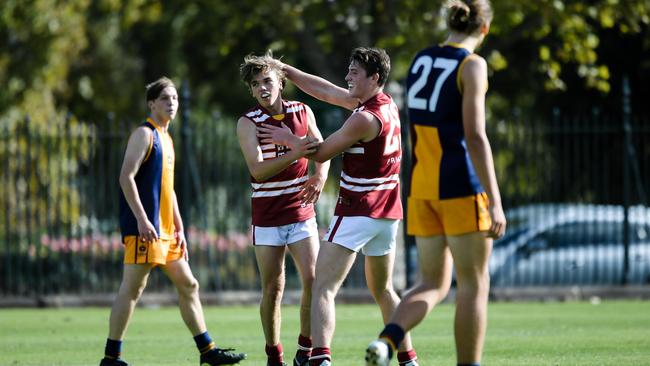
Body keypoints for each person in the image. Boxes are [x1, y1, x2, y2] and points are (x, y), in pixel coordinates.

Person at [365, 1, 507, 366]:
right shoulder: (472, 64)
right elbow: (475, 136)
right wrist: (495, 200)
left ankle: (386, 342)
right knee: (473, 284)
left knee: (431, 283)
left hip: (422, 187)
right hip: (460, 185)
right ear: (485, 29)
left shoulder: (421, 59)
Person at [257, 47, 419, 366]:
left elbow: (319, 153)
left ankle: (320, 358)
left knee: (322, 287)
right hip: (388, 213)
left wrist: (287, 138)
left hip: (359, 209)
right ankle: (408, 358)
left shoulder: (363, 118)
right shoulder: (387, 105)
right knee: (384, 290)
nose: (347, 77)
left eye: (354, 72)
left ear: (374, 78)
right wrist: (285, 70)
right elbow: (327, 92)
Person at [100, 77, 246, 366]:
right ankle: (111, 358)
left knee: (189, 285)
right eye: (166, 98)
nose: (172, 103)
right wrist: (142, 220)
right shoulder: (145, 134)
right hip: (146, 230)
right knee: (132, 289)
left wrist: (179, 227)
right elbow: (125, 177)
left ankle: (208, 352)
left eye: (175, 98)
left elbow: (169, 189)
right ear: (151, 103)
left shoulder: (166, 138)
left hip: (166, 233)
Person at [237, 52, 329, 366]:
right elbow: (258, 171)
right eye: (255, 84)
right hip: (267, 216)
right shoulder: (248, 123)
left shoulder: (302, 110)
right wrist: (296, 149)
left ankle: (305, 347)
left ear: (281, 82)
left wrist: (319, 176)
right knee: (273, 288)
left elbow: (320, 148)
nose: (262, 88)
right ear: (250, 90)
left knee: (314, 279)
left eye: (267, 81)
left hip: (300, 210)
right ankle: (273, 354)